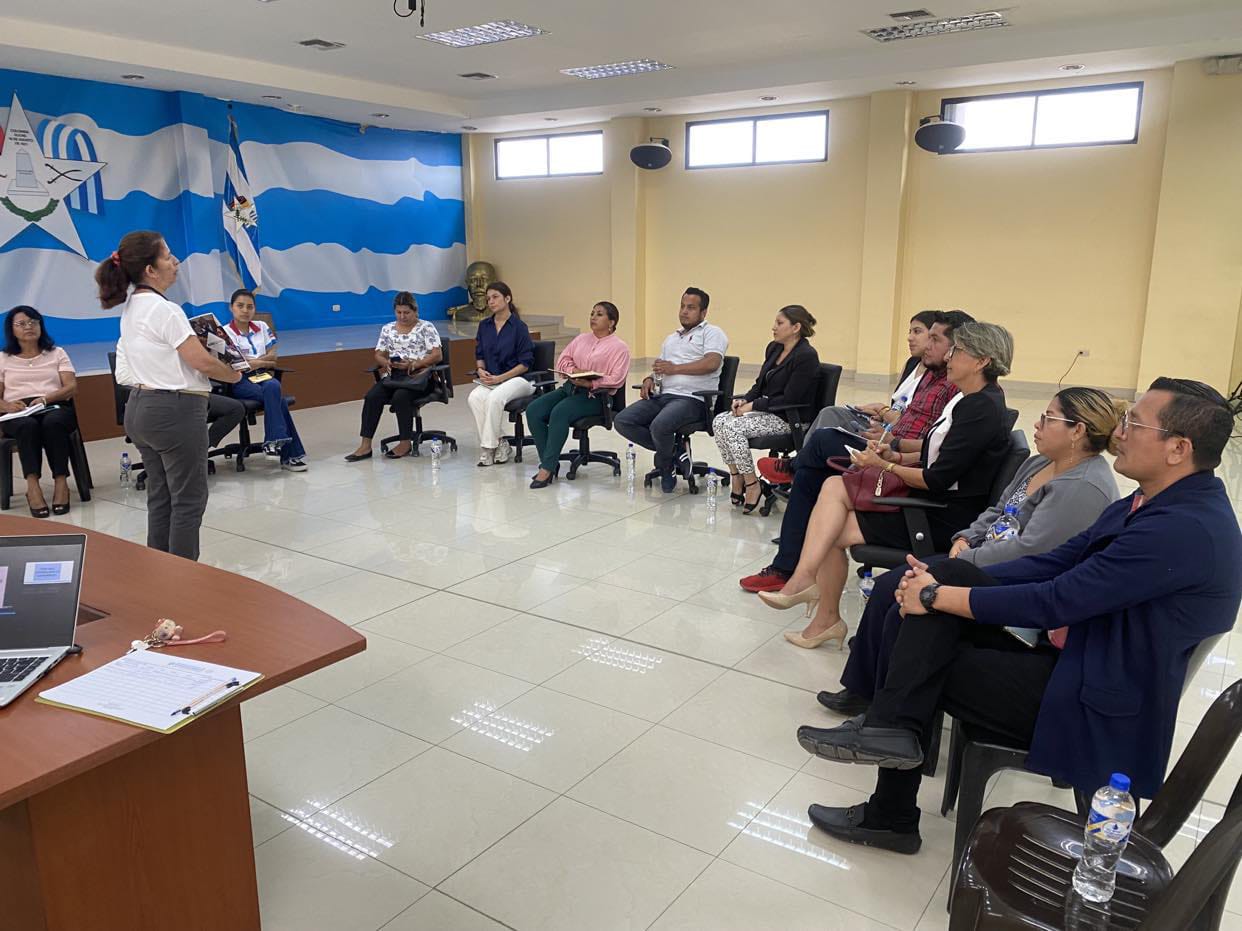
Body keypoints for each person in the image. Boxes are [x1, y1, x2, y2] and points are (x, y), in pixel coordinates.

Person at [795, 378, 1242, 856]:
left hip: (1091, 697)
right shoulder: (1151, 502)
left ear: (1178, 448)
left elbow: (1059, 599)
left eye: (1134, 423)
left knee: (919, 646)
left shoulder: (1182, 529)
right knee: (935, 590)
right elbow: (1055, 562)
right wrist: (944, 581)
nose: (1120, 432)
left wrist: (940, 596)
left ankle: (891, 786)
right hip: (1079, 657)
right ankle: (891, 739)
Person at [820, 387, 1123, 717]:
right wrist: (965, 537)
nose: (1038, 424)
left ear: (1077, 431)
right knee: (890, 588)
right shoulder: (1042, 462)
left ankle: (880, 704)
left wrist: (964, 560)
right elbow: (998, 510)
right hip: (980, 559)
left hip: (1010, 583)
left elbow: (1029, 554)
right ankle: (866, 690)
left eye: (1048, 418)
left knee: (898, 591)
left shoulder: (1081, 488)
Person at [759, 321, 1013, 650]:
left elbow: (938, 478)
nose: (949, 357)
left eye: (957, 350)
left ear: (982, 361)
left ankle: (816, 602)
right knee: (832, 497)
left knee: (831, 522)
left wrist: (885, 465)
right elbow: (940, 453)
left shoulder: (979, 407)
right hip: (937, 501)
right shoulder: (972, 400)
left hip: (941, 516)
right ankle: (811, 594)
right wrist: (895, 453)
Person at [740, 311, 972, 593]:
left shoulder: (959, 391)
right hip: (888, 444)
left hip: (901, 465)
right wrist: (885, 433)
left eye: (933, 338)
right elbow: (910, 421)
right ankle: (786, 567)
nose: (923, 344)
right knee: (811, 473)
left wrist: (893, 447)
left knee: (823, 441)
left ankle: (790, 471)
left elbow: (934, 448)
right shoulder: (929, 374)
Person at [96, 231, 242, 561]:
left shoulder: (132, 307)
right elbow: (201, 361)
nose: (175, 261)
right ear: (150, 269)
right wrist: (233, 373)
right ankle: (183, 581)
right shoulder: (166, 310)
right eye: (167, 256)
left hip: (141, 408)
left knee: (161, 497)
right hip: (174, 412)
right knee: (188, 500)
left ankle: (159, 574)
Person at [614, 287, 728, 493]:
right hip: (663, 396)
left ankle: (666, 465)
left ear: (703, 312)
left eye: (691, 308)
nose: (684, 311)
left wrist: (674, 369)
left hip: (692, 399)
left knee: (660, 425)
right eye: (682, 306)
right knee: (623, 421)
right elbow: (661, 369)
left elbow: (711, 363)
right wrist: (649, 379)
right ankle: (675, 452)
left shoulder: (712, 333)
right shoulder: (671, 338)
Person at [712, 305, 819, 513]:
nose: (774, 327)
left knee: (734, 427)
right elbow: (760, 384)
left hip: (790, 417)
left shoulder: (806, 356)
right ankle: (736, 476)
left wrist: (753, 405)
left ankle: (752, 484)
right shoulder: (774, 348)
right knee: (719, 421)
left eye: (780, 323)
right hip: (770, 410)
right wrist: (745, 399)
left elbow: (790, 398)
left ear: (796, 327)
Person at [526, 302, 631, 488]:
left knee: (560, 412)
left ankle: (546, 469)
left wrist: (591, 382)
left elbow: (617, 378)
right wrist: (574, 370)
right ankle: (550, 462)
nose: (593, 317)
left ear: (611, 322)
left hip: (596, 396)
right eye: (592, 313)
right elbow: (563, 360)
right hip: (570, 388)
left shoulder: (620, 348)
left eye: (599, 314)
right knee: (534, 409)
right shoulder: (581, 339)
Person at [801, 310, 941, 438]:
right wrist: (880, 413)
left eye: (917, 332)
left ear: (933, 336)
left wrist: (882, 410)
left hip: (895, 435)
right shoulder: (912, 363)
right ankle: (804, 455)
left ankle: (805, 455)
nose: (909, 338)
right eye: (910, 332)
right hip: (885, 423)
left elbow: (913, 421)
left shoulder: (938, 375)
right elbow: (897, 406)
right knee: (830, 413)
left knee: (827, 432)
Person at [0, 307, 79, 517]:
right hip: (18, 411)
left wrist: (46, 399)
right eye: (22, 323)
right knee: (27, 426)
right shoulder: (3, 358)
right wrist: (7, 406)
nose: (29, 327)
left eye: (33, 322)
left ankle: (61, 482)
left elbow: (71, 387)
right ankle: (32, 485)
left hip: (52, 404)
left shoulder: (57, 353)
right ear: (11, 329)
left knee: (53, 423)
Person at [346, 292, 443, 461]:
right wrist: (386, 362)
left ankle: (405, 443)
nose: (402, 316)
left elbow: (437, 355)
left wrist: (414, 364)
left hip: (419, 377)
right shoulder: (388, 329)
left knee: (401, 397)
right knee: (372, 397)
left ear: (415, 311)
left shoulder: (426, 327)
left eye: (406, 312)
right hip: (395, 376)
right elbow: (378, 354)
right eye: (399, 312)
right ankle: (365, 445)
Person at [221, 289, 307, 471]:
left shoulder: (261, 326)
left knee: (273, 385)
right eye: (240, 306)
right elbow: (236, 365)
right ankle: (287, 453)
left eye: (250, 307)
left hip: (262, 375)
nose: (245, 310)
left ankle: (274, 442)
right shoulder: (225, 333)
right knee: (277, 398)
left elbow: (273, 358)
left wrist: (255, 362)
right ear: (231, 308)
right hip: (239, 380)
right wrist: (261, 361)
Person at [469, 281, 535, 466]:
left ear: (507, 298)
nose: (491, 301)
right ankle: (501, 443)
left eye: (495, 297)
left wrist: (501, 378)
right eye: (488, 298)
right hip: (494, 379)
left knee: (494, 398)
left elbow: (525, 364)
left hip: (519, 380)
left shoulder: (519, 327)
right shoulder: (485, 326)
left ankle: (488, 448)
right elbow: (480, 355)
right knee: (474, 397)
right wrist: (480, 370)